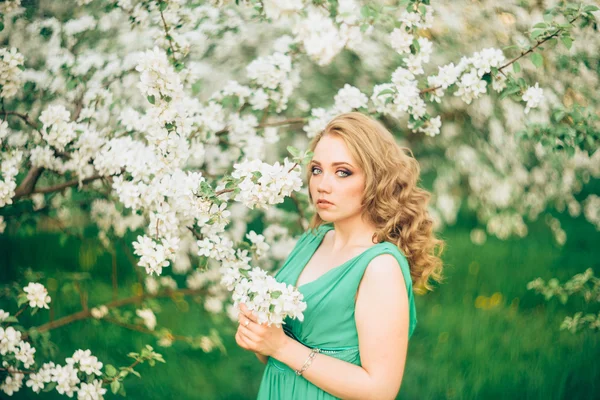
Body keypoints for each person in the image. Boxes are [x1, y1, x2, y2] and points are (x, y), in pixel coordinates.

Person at [235, 112, 445, 399]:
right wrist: (259, 336)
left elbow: (380, 389)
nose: (323, 185)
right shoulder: (312, 241)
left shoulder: (379, 267)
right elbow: (274, 350)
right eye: (317, 170)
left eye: (343, 172)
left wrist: (282, 347)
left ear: (376, 179)